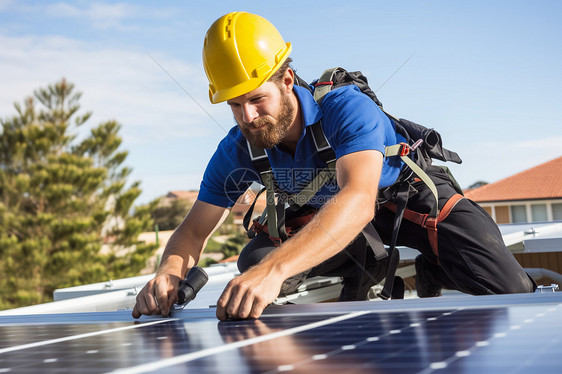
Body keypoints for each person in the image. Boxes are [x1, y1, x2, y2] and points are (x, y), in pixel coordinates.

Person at [132, 11, 535, 321]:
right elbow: (193, 230)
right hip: (337, 221)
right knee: (252, 262)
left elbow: (358, 199)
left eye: (257, 99)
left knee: (511, 289)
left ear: (287, 79)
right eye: (234, 105)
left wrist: (275, 271)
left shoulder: (344, 108)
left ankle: (436, 267)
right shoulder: (239, 146)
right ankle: (371, 265)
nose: (247, 116)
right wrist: (169, 272)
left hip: (405, 202)